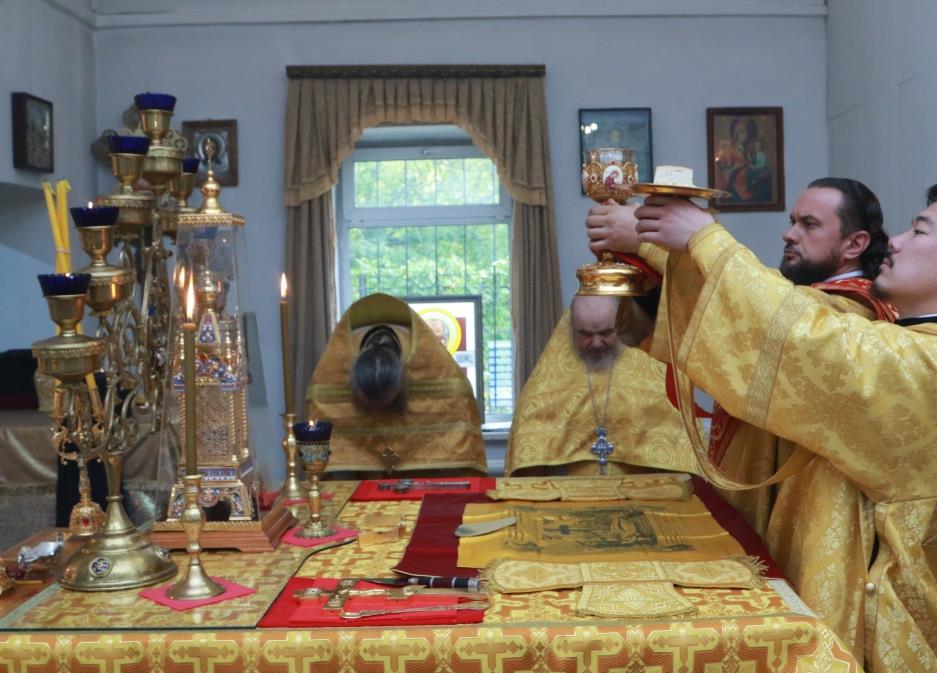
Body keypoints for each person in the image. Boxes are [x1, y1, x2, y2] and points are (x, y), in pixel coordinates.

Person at [634, 182, 937, 673]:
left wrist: (704, 238)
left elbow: (806, 337)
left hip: (877, 634)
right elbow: (799, 335)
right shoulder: (910, 343)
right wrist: (663, 248)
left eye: (920, 231)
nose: (896, 241)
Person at [588, 178, 896, 539]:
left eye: (809, 224)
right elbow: (726, 326)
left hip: (811, 514)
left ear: (855, 243)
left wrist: (651, 242)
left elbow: (771, 318)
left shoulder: (858, 310)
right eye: (792, 222)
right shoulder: (801, 296)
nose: (790, 234)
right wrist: (635, 266)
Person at [505, 294, 696, 476]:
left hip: (641, 493)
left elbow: (679, 445)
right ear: (571, 331)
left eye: (606, 333)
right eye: (586, 335)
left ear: (619, 326)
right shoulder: (547, 386)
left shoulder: (651, 373)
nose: (596, 343)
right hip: (571, 494)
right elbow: (529, 455)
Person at [306, 292, 486, 475]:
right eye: (370, 407)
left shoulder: (431, 364)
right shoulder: (335, 366)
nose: (379, 415)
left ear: (402, 383)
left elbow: (457, 411)